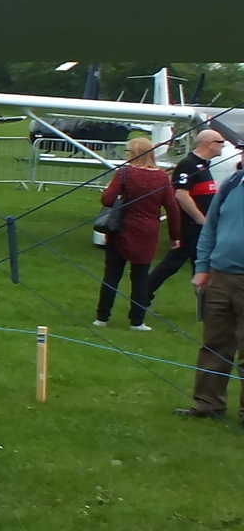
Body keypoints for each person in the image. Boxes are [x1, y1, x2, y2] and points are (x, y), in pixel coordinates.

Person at [180, 160, 244, 419]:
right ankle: (208, 404)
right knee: (214, 344)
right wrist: (202, 267)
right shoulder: (232, 183)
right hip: (219, 276)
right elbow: (210, 229)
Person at [94, 136, 179, 330]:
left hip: (121, 228)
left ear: (132, 154)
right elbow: (173, 209)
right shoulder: (162, 177)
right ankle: (137, 321)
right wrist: (175, 236)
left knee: (112, 275)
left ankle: (102, 317)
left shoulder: (124, 173)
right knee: (140, 277)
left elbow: (107, 199)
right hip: (148, 232)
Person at [147, 128, 226, 298]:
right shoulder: (189, 164)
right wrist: (202, 220)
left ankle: (206, 306)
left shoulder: (204, 165)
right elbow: (181, 194)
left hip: (200, 227)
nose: (223, 146)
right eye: (221, 142)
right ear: (210, 144)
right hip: (190, 226)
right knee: (172, 263)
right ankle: (143, 294)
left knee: (202, 266)